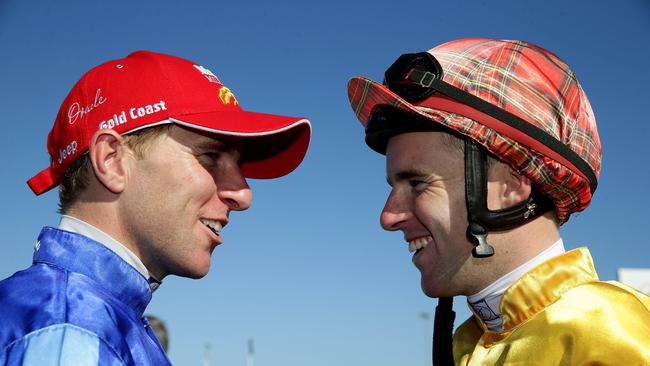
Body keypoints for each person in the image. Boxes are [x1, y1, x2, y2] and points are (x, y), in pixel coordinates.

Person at [346, 38, 649, 365]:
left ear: (509, 184)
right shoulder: (468, 342)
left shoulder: (613, 340)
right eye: (394, 186)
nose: (388, 217)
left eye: (418, 183)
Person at [0, 50, 311, 365]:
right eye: (211, 157)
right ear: (112, 162)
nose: (244, 195)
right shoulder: (74, 331)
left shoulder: (93, 317)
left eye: (238, 164)